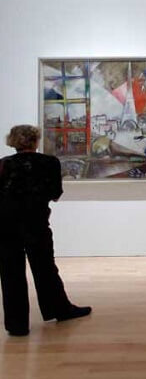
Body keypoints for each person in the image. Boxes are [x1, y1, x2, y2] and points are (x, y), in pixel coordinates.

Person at [0, 125, 92, 337]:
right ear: (35, 141)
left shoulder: (3, 164)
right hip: (35, 222)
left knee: (10, 273)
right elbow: (55, 194)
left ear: (13, 141)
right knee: (45, 268)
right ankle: (59, 309)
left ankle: (17, 325)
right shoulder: (49, 162)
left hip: (5, 225)